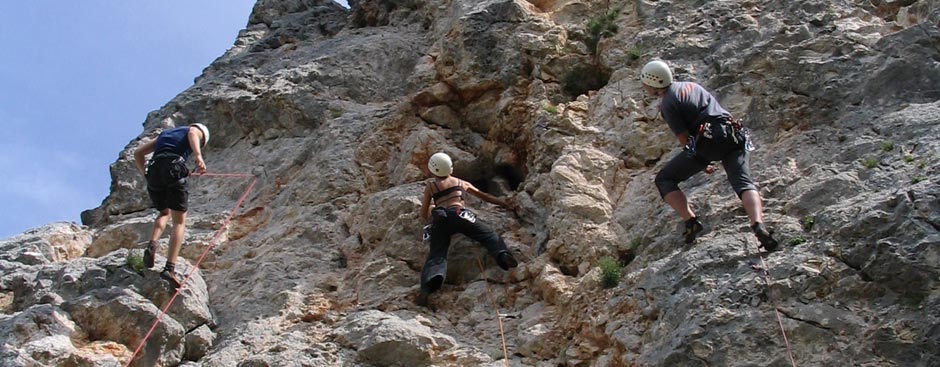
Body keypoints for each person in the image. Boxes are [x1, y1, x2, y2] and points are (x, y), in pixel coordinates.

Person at [639, 60, 778, 251]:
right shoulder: (691, 85)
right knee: (744, 183)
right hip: (733, 134)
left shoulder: (668, 104)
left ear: (652, 82)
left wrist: (701, 162)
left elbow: (685, 139)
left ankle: (691, 221)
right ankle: (758, 224)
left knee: (665, 179)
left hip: (708, 141)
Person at [417, 152, 519, 307]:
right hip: (460, 214)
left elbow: (423, 214)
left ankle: (432, 281)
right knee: (488, 235)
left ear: (432, 170)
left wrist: (433, 208)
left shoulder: (431, 186)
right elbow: (484, 196)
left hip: (441, 218)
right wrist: (505, 204)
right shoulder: (460, 182)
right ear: (450, 167)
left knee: (437, 251)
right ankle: (501, 254)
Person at [133, 123, 210, 288]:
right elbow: (192, 133)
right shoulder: (194, 131)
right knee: (179, 222)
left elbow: (138, 153)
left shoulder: (165, 134)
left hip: (154, 172)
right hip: (173, 167)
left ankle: (152, 243)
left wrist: (146, 174)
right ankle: (170, 268)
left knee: (164, 212)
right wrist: (198, 155)